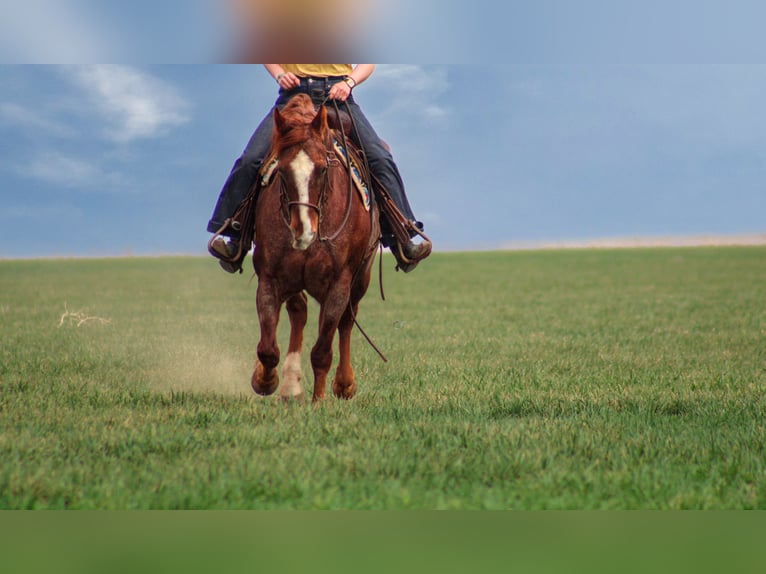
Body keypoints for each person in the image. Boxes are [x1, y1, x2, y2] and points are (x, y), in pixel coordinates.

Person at [207, 64, 431, 273]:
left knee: (380, 158)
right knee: (251, 159)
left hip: (338, 97)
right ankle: (235, 237)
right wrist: (280, 74)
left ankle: (402, 238)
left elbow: (367, 64)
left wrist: (349, 83)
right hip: (293, 97)